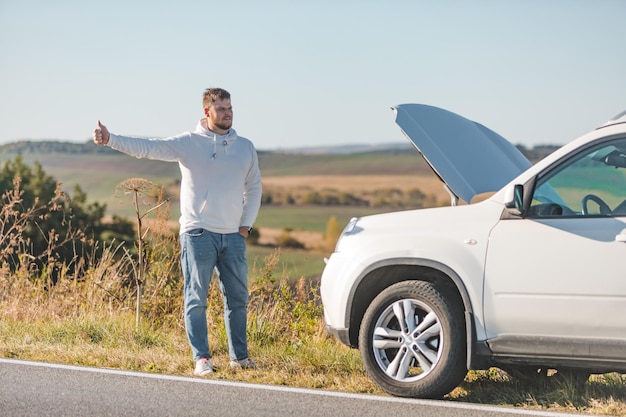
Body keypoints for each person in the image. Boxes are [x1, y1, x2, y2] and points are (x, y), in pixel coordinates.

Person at [93, 88, 262, 376]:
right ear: (206, 113)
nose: (228, 113)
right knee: (196, 297)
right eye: (221, 108)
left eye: (230, 107)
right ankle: (202, 359)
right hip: (198, 233)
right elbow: (149, 147)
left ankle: (240, 358)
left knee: (238, 299)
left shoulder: (245, 147)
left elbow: (254, 186)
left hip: (233, 236)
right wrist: (111, 139)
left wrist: (245, 226)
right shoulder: (190, 143)